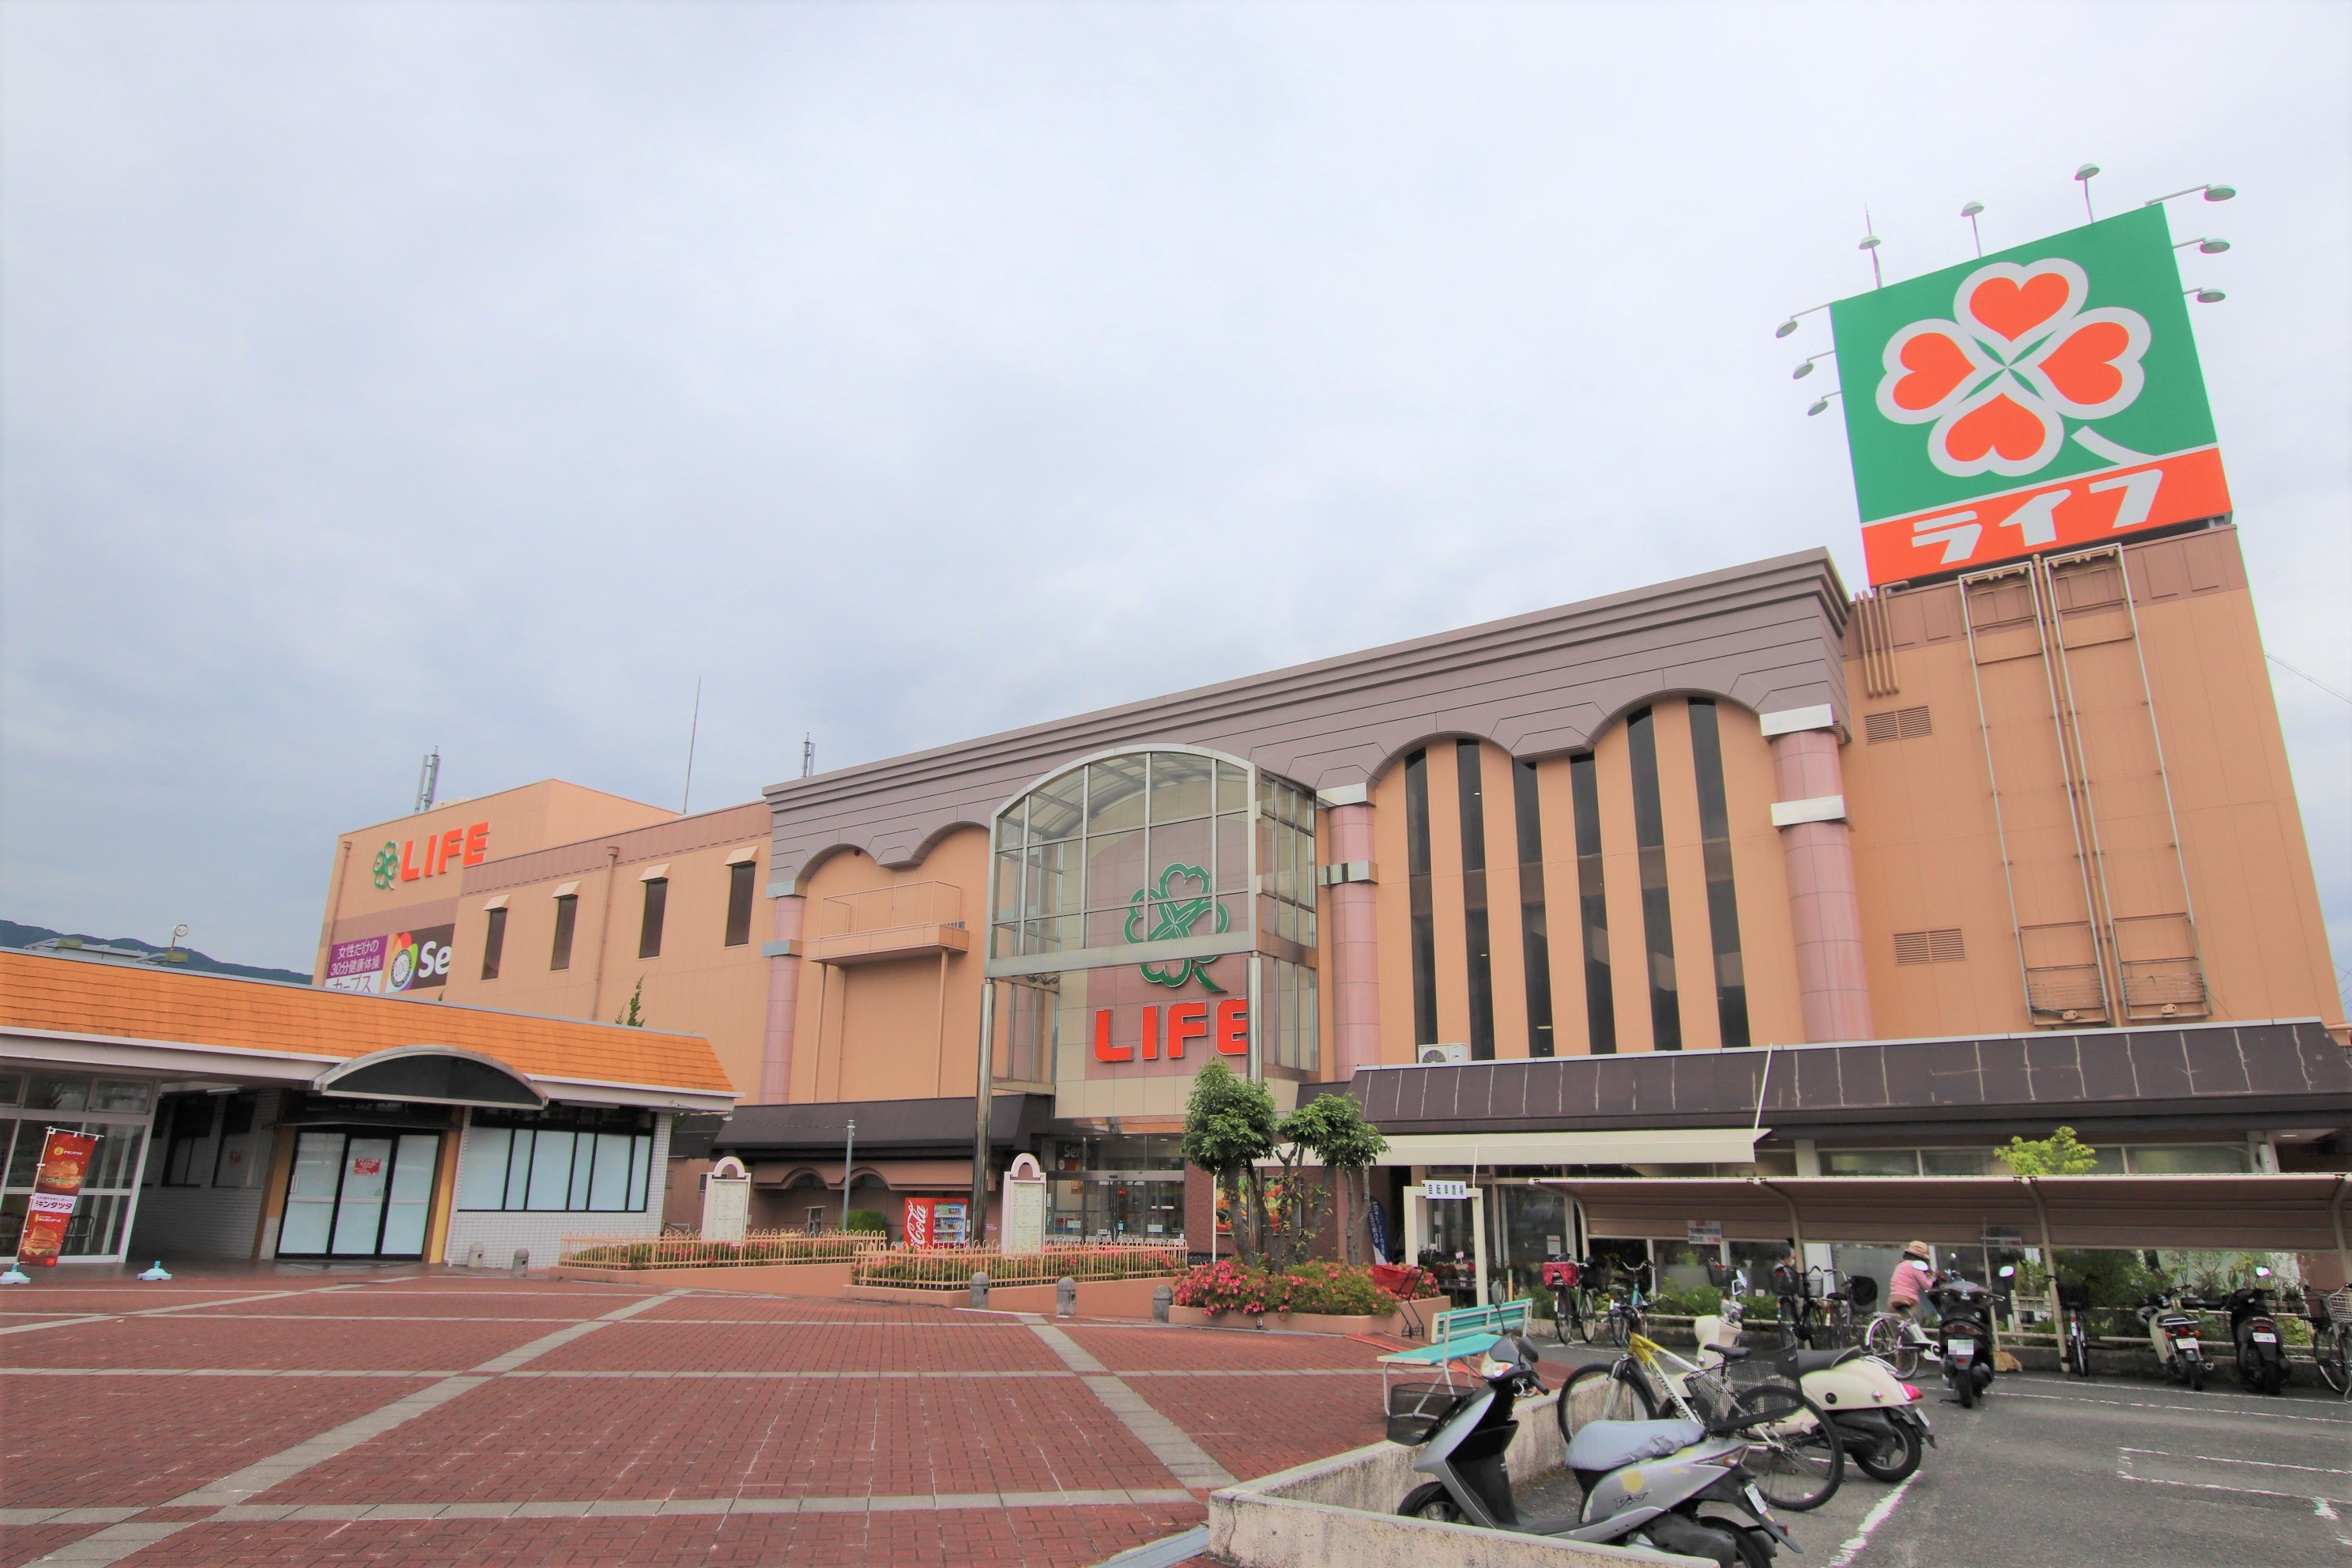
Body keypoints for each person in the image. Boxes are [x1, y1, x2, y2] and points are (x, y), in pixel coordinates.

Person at [1887, 1240, 1937, 1341]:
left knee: (1898, 1327)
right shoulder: (1915, 1266)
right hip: (1908, 1299)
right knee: (1912, 1330)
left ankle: (1897, 1345)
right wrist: (1932, 1278)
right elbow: (1927, 1286)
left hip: (1893, 1299)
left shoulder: (1900, 1264)